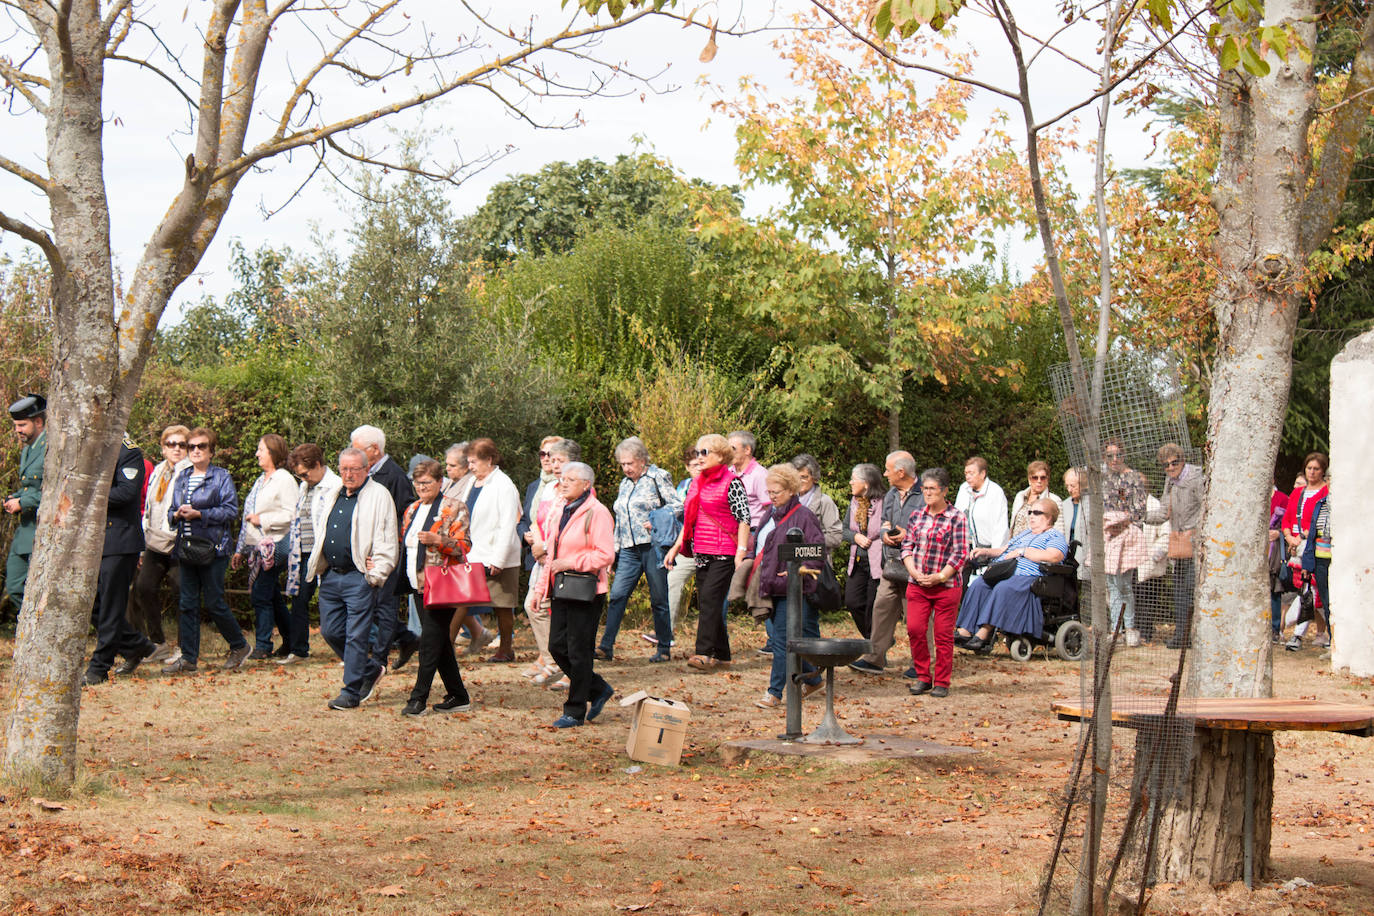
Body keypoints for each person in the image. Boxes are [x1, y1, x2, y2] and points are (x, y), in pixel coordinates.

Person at [307, 447, 398, 709]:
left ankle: (351, 692)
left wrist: (376, 573)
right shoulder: (335, 493)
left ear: (366, 469)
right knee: (331, 630)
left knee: (356, 636)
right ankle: (369, 669)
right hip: (332, 575)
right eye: (343, 469)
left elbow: (387, 539)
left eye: (353, 469)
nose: (348, 474)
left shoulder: (378, 496)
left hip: (360, 576)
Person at [531, 462, 616, 728]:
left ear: (586, 485)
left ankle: (575, 710)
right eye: (562, 479)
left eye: (570, 479)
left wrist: (571, 563)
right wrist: (539, 589)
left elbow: (605, 555)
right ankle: (597, 687)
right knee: (557, 646)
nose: (563, 483)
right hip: (561, 587)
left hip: (586, 591)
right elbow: (550, 557)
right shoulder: (560, 509)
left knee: (579, 651)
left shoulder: (597, 513)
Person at [163, 428, 250, 674]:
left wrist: (200, 514)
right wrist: (177, 515)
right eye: (192, 447)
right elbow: (170, 512)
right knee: (187, 603)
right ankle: (189, 659)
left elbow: (231, 511)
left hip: (214, 549)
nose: (196, 451)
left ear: (211, 451)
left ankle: (239, 645)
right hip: (187, 548)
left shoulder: (221, 477)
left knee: (214, 602)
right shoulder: (181, 477)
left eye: (201, 446)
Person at [663, 434, 749, 671]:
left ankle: (703, 652)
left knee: (710, 599)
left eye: (705, 453)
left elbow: (744, 519)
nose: (699, 457)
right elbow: (690, 521)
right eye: (697, 452)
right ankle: (723, 654)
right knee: (708, 601)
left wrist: (741, 551)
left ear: (720, 456)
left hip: (724, 552)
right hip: (701, 551)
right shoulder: (696, 483)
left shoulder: (732, 482)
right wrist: (676, 547)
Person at [398, 459, 474, 716]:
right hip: (416, 584)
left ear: (440, 482)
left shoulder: (454, 508)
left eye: (427, 482)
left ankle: (418, 698)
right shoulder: (412, 509)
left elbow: (464, 546)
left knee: (430, 641)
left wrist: (438, 540)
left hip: (442, 584)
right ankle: (458, 695)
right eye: (417, 483)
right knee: (438, 640)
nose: (421, 487)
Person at [83, 435, 159, 684]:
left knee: (110, 609)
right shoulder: (91, 447)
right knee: (92, 606)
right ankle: (137, 645)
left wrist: (87, 493)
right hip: (94, 542)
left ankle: (99, 668)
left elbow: (126, 492)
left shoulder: (127, 451)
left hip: (119, 539)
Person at [600, 436, 680, 660]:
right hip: (628, 548)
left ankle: (664, 648)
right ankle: (606, 647)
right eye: (623, 464)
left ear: (642, 460)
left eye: (630, 463)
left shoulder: (658, 476)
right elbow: (620, 518)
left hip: (653, 546)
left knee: (658, 598)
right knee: (617, 595)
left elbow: (677, 505)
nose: (626, 468)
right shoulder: (624, 483)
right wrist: (613, 552)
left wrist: (656, 518)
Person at [754, 464, 825, 709]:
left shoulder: (804, 516)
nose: (772, 496)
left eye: (777, 492)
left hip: (792, 589)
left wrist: (798, 568)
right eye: (769, 491)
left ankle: (774, 692)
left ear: (791, 490)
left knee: (782, 641)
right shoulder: (768, 513)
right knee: (780, 639)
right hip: (769, 586)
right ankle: (814, 679)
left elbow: (817, 551)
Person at [956, 498, 1068, 653]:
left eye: (1036, 512)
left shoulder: (1055, 536)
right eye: (1030, 512)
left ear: (1048, 517)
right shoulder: (1025, 534)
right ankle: (965, 630)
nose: (1031, 516)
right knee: (979, 584)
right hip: (1005, 572)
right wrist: (986, 551)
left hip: (1029, 577)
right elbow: (1005, 550)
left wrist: (1024, 552)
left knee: (1003, 588)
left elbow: (1054, 556)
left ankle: (984, 634)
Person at [848, 451, 923, 676]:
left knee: (916, 619)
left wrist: (907, 534)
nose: (884, 473)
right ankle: (874, 659)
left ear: (901, 472)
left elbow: (933, 526)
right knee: (880, 610)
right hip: (890, 565)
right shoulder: (891, 494)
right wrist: (885, 533)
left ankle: (922, 665)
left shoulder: (924, 494)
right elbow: (884, 522)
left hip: (915, 567)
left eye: (888, 469)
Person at [351, 425, 419, 671]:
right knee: (373, 604)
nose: (354, 455)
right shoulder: (365, 475)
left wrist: (392, 550)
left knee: (385, 605)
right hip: (368, 551)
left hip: (389, 551)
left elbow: (407, 513)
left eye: (357, 450)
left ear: (375, 449)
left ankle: (379, 658)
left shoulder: (394, 475)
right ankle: (407, 638)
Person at [901, 468, 970, 698]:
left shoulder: (957, 517)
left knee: (943, 635)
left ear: (944, 491)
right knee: (915, 629)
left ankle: (942, 681)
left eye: (932, 489)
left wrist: (940, 576)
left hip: (946, 586)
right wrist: (915, 572)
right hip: (917, 583)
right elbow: (907, 547)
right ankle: (922, 676)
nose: (928, 493)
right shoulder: (916, 516)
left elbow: (960, 553)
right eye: (925, 489)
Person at [126, 425, 190, 665]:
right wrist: (143, 543)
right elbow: (150, 509)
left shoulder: (190, 473)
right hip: (155, 543)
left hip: (180, 543)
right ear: (163, 449)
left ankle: (185, 647)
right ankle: (158, 643)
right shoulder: (158, 472)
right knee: (144, 588)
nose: (176, 449)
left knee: (182, 589)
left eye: (181, 444)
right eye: (171, 444)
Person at [234, 434, 297, 659]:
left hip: (276, 546)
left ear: (273, 452)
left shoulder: (284, 479)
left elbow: (292, 514)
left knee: (261, 593)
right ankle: (292, 640)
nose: (257, 454)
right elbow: (247, 517)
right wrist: (241, 550)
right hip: (256, 547)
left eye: (261, 449)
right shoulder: (261, 480)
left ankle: (262, 645)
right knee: (271, 595)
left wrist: (265, 520)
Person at [461, 437, 523, 662]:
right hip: (473, 553)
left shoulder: (503, 485)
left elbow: (508, 523)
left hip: (498, 555)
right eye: (468, 462)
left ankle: (506, 649)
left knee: (502, 605)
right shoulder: (472, 482)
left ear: (489, 460)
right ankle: (452, 643)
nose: (470, 466)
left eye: (474, 462)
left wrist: (498, 559)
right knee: (461, 602)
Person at [280, 443, 340, 665]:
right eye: (300, 476)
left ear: (317, 464)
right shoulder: (305, 487)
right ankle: (299, 649)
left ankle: (350, 647)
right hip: (302, 553)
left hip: (324, 553)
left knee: (334, 603)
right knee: (299, 599)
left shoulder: (335, 485)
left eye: (305, 473)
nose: (304, 478)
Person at [517, 436, 564, 678]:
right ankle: (549, 659)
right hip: (537, 553)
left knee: (546, 608)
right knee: (534, 605)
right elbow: (532, 518)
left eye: (554, 456)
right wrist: (529, 536)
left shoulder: (570, 486)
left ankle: (555, 663)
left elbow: (562, 524)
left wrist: (543, 544)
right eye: (544, 455)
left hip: (556, 556)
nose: (548, 461)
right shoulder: (540, 487)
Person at [1148, 443, 1204, 648]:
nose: (1171, 468)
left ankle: (1195, 636)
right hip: (1178, 544)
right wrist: (1138, 517)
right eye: (1166, 465)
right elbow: (1164, 512)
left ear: (1182, 460)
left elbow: (1207, 508)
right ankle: (1182, 636)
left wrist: (1199, 534)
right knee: (1180, 592)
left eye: (1174, 463)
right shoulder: (1170, 482)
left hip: (1196, 544)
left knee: (1193, 591)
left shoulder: (1197, 480)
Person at [1100, 440, 1147, 646]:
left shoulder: (1133, 478)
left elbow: (1140, 511)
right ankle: (1115, 629)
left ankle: (1130, 628)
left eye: (1118, 455)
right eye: (1110, 456)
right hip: (1108, 535)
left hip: (1127, 535)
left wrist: (1123, 521)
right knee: (1111, 584)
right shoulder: (1103, 479)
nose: (1114, 459)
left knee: (1124, 583)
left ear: (1124, 455)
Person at [1282, 452, 1329, 650]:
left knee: (1312, 591)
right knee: (1309, 592)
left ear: (1322, 471)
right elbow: (1287, 519)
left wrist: (1302, 537)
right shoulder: (1298, 492)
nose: (1312, 472)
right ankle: (1306, 633)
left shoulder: (1325, 493)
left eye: (1316, 469)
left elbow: (1319, 521)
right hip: (1296, 549)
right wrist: (1289, 538)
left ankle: (1297, 631)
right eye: (1309, 468)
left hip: (1315, 549)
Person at [4, 393, 46, 619]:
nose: (18, 430)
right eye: (16, 426)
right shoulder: (29, 448)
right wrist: (14, 498)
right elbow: (30, 486)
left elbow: (57, 490)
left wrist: (23, 501)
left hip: (43, 528)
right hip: (26, 529)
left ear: (38, 422)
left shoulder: (50, 447)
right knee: (15, 586)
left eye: (22, 424)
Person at [661, 447, 702, 646]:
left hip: (711, 546)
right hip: (687, 546)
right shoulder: (684, 486)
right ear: (687, 467)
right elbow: (676, 513)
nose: (698, 469)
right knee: (672, 581)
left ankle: (714, 641)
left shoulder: (714, 484)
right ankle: (665, 632)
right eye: (693, 465)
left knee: (712, 594)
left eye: (700, 464)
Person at [842, 463, 886, 639]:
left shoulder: (884, 502)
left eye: (854, 479)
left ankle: (875, 648)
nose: (851, 482)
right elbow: (843, 529)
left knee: (872, 608)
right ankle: (874, 640)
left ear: (866, 483)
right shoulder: (854, 503)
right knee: (852, 602)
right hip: (858, 561)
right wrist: (855, 537)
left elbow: (887, 529)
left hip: (877, 563)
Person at [956, 456, 1010, 581]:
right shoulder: (964, 489)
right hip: (966, 548)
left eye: (971, 473)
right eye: (966, 473)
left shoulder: (995, 492)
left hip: (987, 550)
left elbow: (1000, 526)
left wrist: (995, 555)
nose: (968, 477)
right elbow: (957, 516)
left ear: (983, 473)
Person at [790, 454, 843, 550]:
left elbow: (836, 537)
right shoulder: (788, 501)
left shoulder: (824, 502)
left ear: (814, 478)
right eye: (796, 477)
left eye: (804, 477)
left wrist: (807, 538)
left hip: (816, 561)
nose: (799, 481)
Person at [1009, 461, 1067, 539]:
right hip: (1015, 545)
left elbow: (1059, 533)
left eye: (1043, 478)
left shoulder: (1054, 500)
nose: (1039, 481)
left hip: (1038, 546)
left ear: (1047, 480)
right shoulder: (1020, 496)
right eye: (1035, 478)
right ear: (1029, 480)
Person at [727, 430, 770, 527]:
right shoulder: (728, 473)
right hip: (732, 532)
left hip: (754, 531)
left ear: (747, 450)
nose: (729, 453)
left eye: (733, 449)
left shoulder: (760, 475)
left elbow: (771, 509)